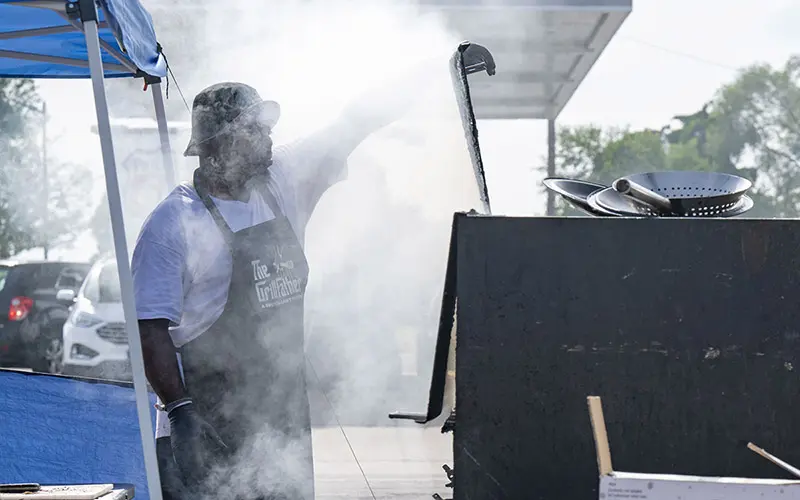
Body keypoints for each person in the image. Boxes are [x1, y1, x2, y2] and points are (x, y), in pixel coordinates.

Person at [131, 78, 418, 499]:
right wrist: (180, 412)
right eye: (256, 128)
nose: (269, 137)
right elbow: (149, 328)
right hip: (206, 429)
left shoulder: (282, 179)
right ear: (221, 144)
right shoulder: (172, 224)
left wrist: (436, 72)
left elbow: (354, 121)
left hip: (281, 427)